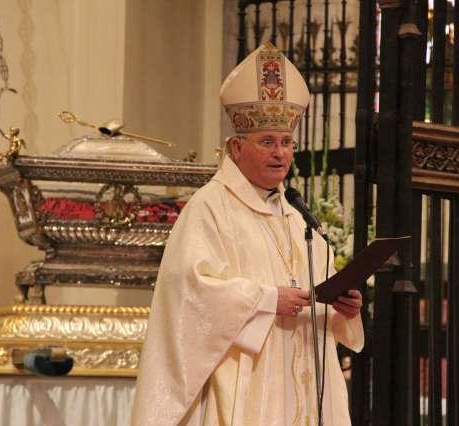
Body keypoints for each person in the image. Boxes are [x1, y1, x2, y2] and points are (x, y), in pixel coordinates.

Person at [131, 43, 364, 426]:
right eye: (268, 142)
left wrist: (344, 311)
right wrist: (267, 299)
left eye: (286, 142)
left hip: (307, 385)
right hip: (250, 383)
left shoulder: (300, 220)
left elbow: (320, 303)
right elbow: (188, 293)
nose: (281, 154)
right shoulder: (210, 208)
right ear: (236, 147)